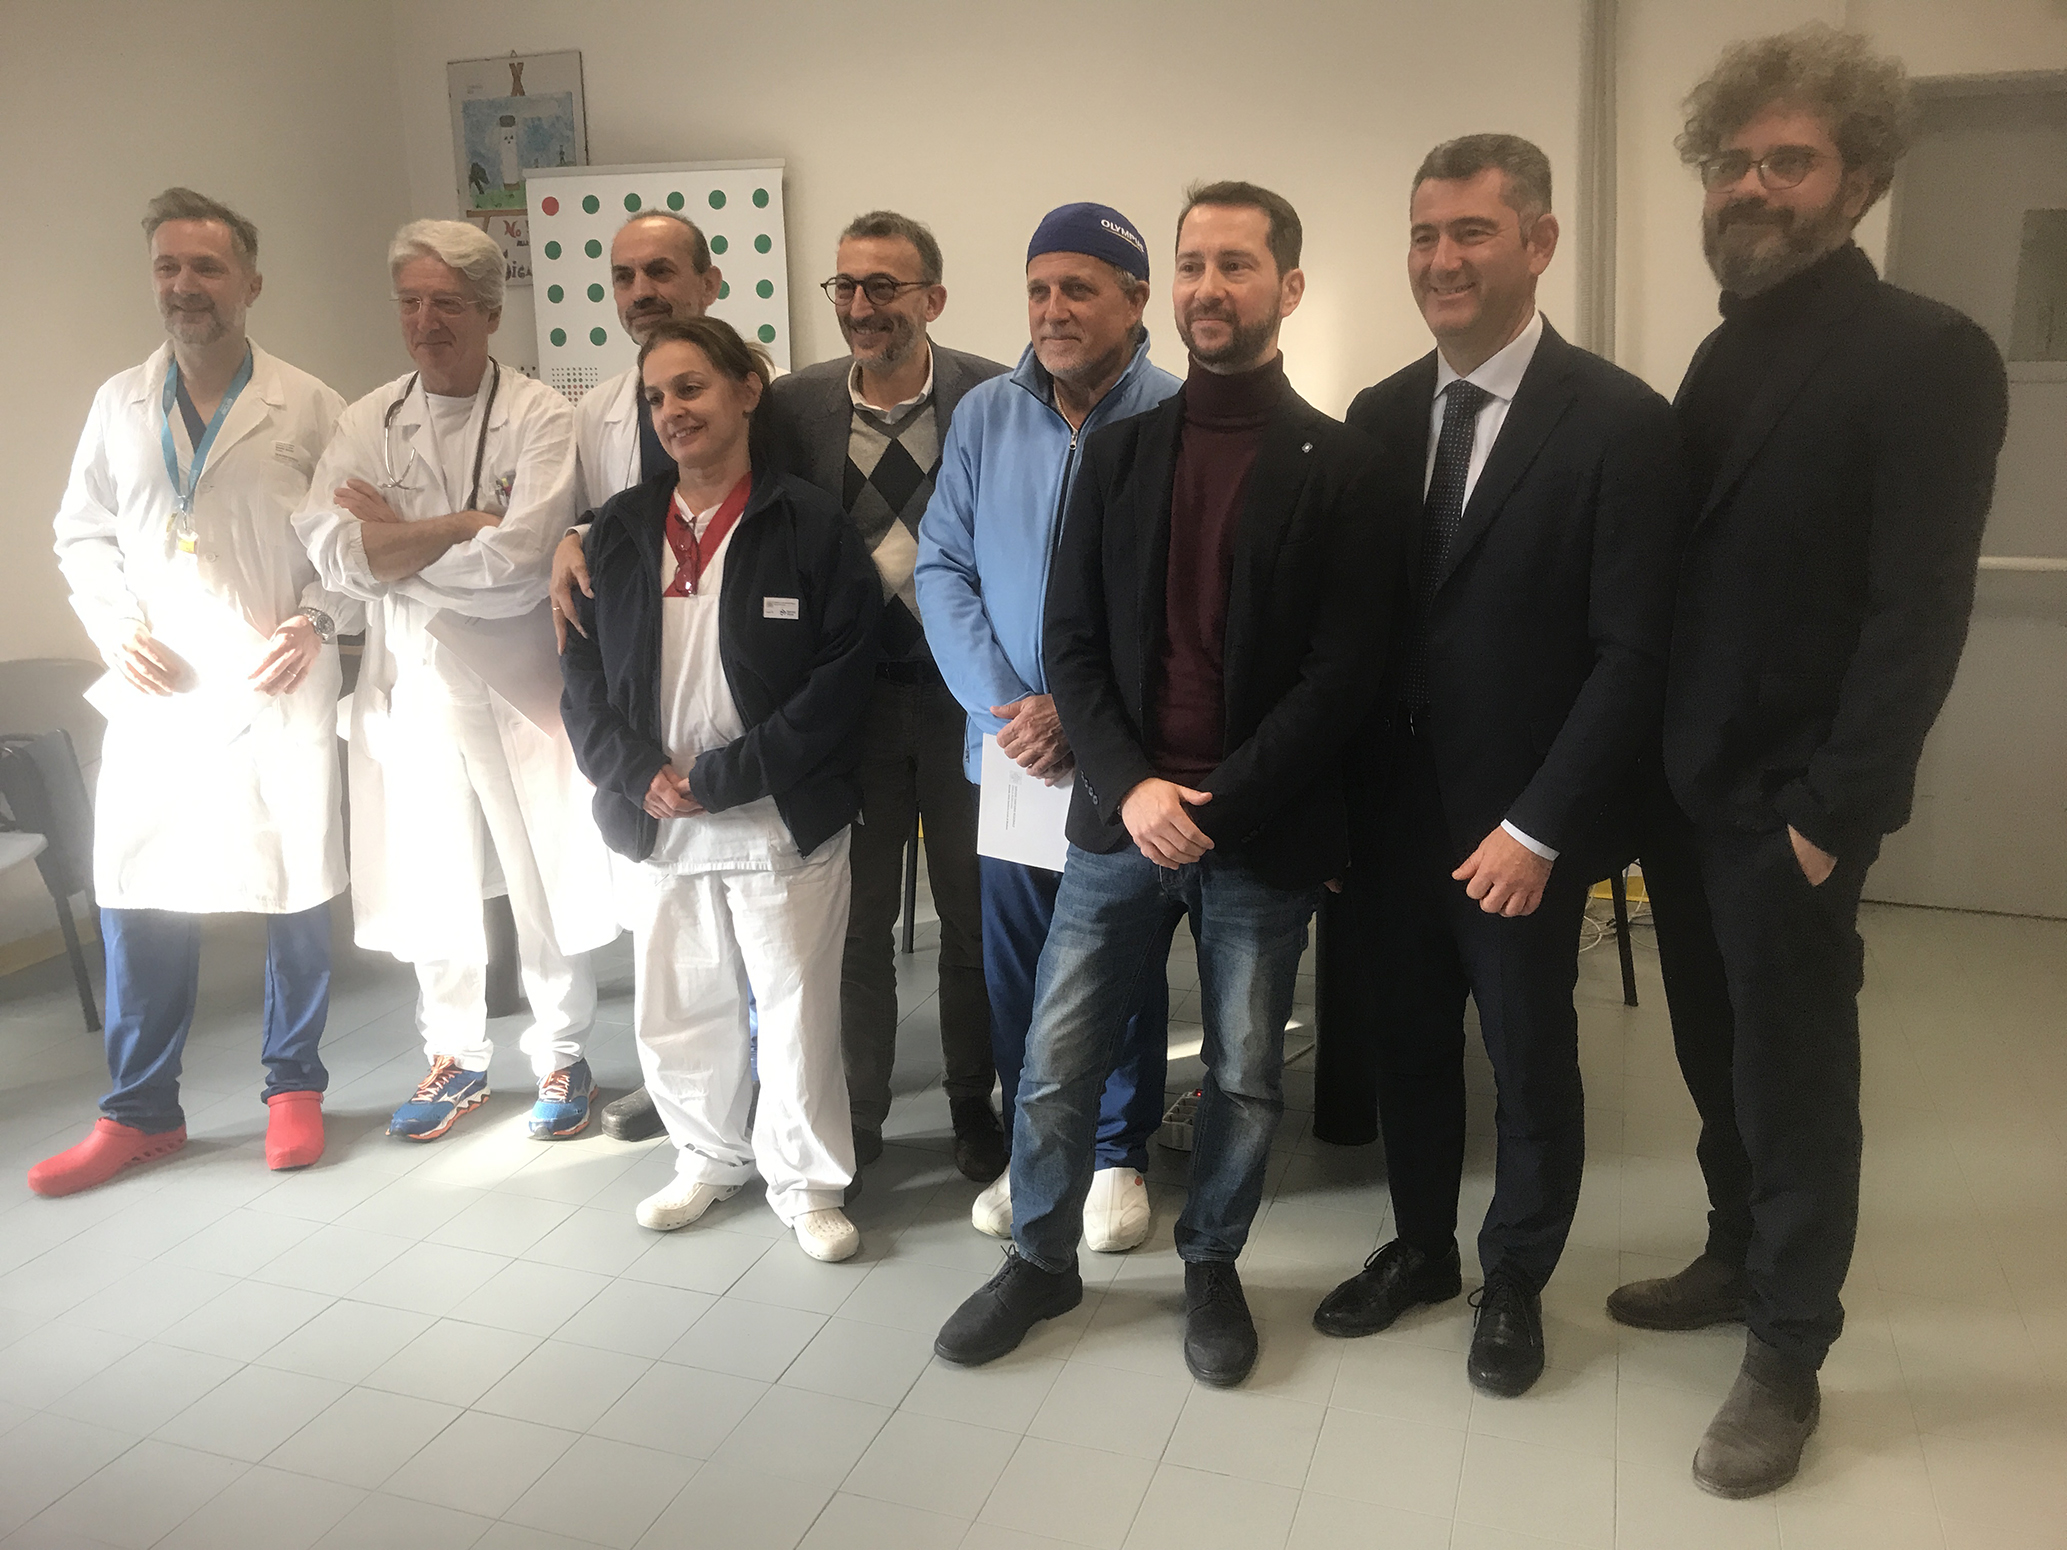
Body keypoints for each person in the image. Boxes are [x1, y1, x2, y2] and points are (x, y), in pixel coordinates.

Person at [1609, 26, 2010, 1498]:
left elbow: (1919, 611)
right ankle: (1733, 1252)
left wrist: (1832, 814)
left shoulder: (1928, 354)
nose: (1750, 185)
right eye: (1732, 161)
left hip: (1790, 808)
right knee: (1714, 1057)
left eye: (1788, 159)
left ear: (1860, 179)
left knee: (1794, 1081)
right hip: (1687, 790)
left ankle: (1786, 1350)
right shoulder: (1728, 347)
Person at [935, 182, 1392, 1386]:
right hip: (1118, 819)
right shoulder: (1123, 452)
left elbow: (1342, 674)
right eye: (1193, 263)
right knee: (1056, 1058)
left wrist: (1218, 806)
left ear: (1290, 287)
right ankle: (1041, 1258)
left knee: (1243, 1073)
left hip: (1259, 832)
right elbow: (1072, 641)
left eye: (1237, 264)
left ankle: (1211, 1261)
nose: (1209, 286)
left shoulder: (1341, 465)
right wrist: (1135, 787)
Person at [1305, 137, 1687, 1397]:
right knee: (1410, 1045)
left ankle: (1513, 1275)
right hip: (1390, 815)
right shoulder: (1377, 415)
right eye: (1424, 234)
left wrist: (1540, 826)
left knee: (1528, 1058)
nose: (1442, 259)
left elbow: (1634, 653)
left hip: (1521, 823)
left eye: (1471, 231)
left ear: (1538, 242)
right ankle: (1422, 1248)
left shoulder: (1621, 422)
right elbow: (1352, 637)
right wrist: (1338, 816)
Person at [32, 188, 349, 1196]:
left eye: (206, 267)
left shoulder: (309, 404)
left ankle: (294, 1086)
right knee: (137, 890)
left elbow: (352, 542)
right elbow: (79, 532)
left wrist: (317, 618)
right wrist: (115, 629)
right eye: (168, 267)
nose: (185, 285)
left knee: (294, 882)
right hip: (160, 689)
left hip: (272, 682)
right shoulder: (118, 404)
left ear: (250, 282)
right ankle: (140, 1112)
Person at [560, 316, 880, 1260]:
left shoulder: (806, 522)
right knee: (679, 1004)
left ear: (747, 390)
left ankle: (807, 1181)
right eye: (655, 396)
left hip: (778, 815)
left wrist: (725, 775)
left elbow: (842, 675)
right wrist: (639, 775)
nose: (672, 411)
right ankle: (707, 1156)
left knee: (794, 1010)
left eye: (691, 387)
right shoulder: (618, 530)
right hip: (660, 817)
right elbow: (580, 678)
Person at [294, 219, 618, 1144]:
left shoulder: (540, 414)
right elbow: (330, 551)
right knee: (428, 865)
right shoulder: (367, 419)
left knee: (540, 860)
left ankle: (562, 1051)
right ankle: (454, 1055)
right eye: (410, 302)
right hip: (412, 675)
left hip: (516, 673)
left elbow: (517, 562)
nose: (425, 321)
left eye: (445, 302)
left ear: (488, 312)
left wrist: (394, 544)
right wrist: (457, 524)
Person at [916, 202, 1180, 1250]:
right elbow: (943, 566)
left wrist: (1080, 711)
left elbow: (1184, 601)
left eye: (1079, 287)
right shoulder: (987, 415)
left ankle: (1115, 1151)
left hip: (1122, 750)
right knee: (1018, 964)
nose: (1053, 309)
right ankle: (1039, 1150)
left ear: (1135, 298)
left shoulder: (1177, 416)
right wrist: (1007, 707)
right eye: (1038, 289)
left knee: (1120, 956)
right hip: (1012, 754)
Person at [760, 212, 1010, 1181]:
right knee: (855, 924)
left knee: (972, 917)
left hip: (964, 701)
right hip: (851, 708)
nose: (860, 306)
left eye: (884, 287)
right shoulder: (795, 407)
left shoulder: (993, 396)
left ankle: (970, 1100)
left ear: (932, 299)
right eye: (846, 286)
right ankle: (858, 1112)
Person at [553, 208, 724, 1144]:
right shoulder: (596, 414)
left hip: (732, 686)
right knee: (668, 922)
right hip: (644, 692)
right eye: (624, 277)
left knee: (756, 922)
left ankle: (759, 1077)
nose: (641, 292)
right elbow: (594, 521)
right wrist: (568, 539)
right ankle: (685, 1089)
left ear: (710, 283)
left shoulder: (758, 398)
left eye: (660, 271)